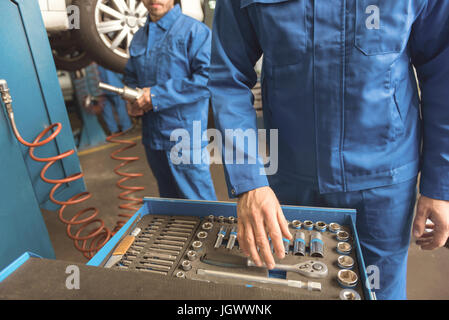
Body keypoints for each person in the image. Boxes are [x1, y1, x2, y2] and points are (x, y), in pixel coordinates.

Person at [209, 0, 449, 300]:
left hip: (384, 185)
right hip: (288, 181)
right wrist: (249, 181)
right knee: (292, 288)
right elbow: (227, 76)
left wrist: (440, 186)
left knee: (376, 293)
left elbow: (442, 70)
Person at [123, 0, 216, 200]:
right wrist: (131, 99)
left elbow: (207, 79)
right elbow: (131, 76)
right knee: (171, 207)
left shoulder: (195, 31)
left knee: (201, 208)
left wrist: (156, 96)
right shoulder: (138, 38)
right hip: (153, 138)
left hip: (184, 138)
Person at [97, 65, 133, 135]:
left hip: (102, 88)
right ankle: (126, 127)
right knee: (120, 107)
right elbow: (120, 73)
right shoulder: (110, 59)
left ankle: (113, 130)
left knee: (106, 109)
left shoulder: (97, 61)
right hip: (115, 85)